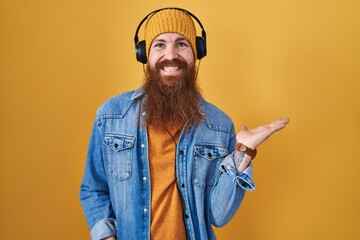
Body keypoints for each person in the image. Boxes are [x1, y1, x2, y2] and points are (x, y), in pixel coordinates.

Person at [80, 7, 289, 240]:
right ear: (144, 54)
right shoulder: (111, 116)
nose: (171, 55)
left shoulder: (219, 126)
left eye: (181, 44)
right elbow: (94, 189)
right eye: (160, 44)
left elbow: (217, 215)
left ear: (197, 52)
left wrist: (244, 152)